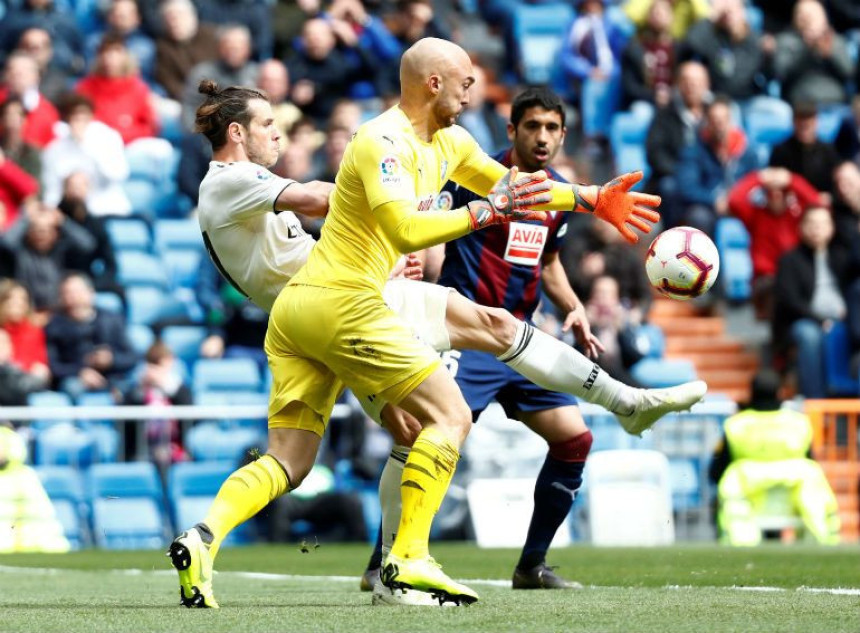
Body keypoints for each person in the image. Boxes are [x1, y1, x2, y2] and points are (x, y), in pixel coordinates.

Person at [167, 41, 704, 608]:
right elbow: (338, 203)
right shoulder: (260, 172)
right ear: (432, 83)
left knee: (306, 456)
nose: (474, 91)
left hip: (305, 311)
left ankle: (205, 540)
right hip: (343, 299)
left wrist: (590, 198)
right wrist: (447, 209)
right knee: (459, 390)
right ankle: (410, 558)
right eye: (465, 81)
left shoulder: (448, 142)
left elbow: (514, 186)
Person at [361, 86, 619, 599]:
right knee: (423, 437)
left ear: (563, 135)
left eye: (551, 129)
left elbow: (547, 262)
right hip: (469, 336)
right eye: (532, 127)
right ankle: (383, 560)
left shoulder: (557, 195)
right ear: (512, 131)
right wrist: (414, 269)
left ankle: (532, 566)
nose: (541, 138)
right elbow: (426, 227)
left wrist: (573, 306)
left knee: (575, 440)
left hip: (521, 341)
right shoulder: (472, 177)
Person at [709, 369, 841, 546]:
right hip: (794, 503)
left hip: (746, 504)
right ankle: (823, 540)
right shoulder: (798, 423)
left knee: (731, 480)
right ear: (780, 393)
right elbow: (811, 460)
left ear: (752, 393)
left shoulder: (736, 424)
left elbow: (715, 472)